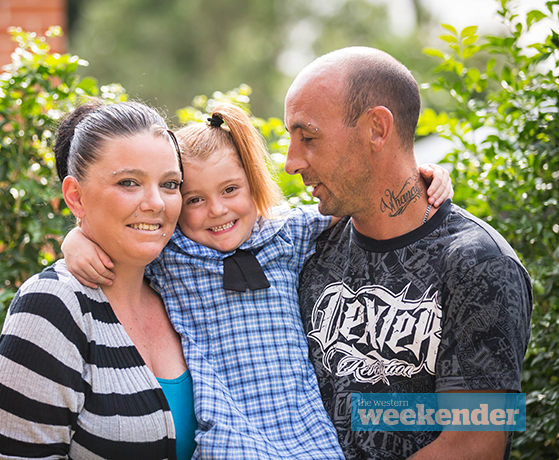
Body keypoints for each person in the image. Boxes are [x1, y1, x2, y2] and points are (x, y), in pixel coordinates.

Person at [62, 102, 452, 459]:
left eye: (230, 190)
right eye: (194, 199)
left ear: (252, 182)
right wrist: (76, 239)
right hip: (230, 443)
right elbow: (123, 235)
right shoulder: (172, 254)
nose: (217, 210)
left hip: (310, 441)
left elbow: (356, 200)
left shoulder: (284, 234)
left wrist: (420, 177)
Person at [283, 46, 533, 460]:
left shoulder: (481, 263)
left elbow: (476, 440)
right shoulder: (305, 248)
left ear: (378, 128)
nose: (291, 162)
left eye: (308, 138)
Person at [0, 100, 196, 460]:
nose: (156, 202)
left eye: (170, 184)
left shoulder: (183, 287)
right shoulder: (51, 306)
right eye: (129, 183)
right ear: (75, 196)